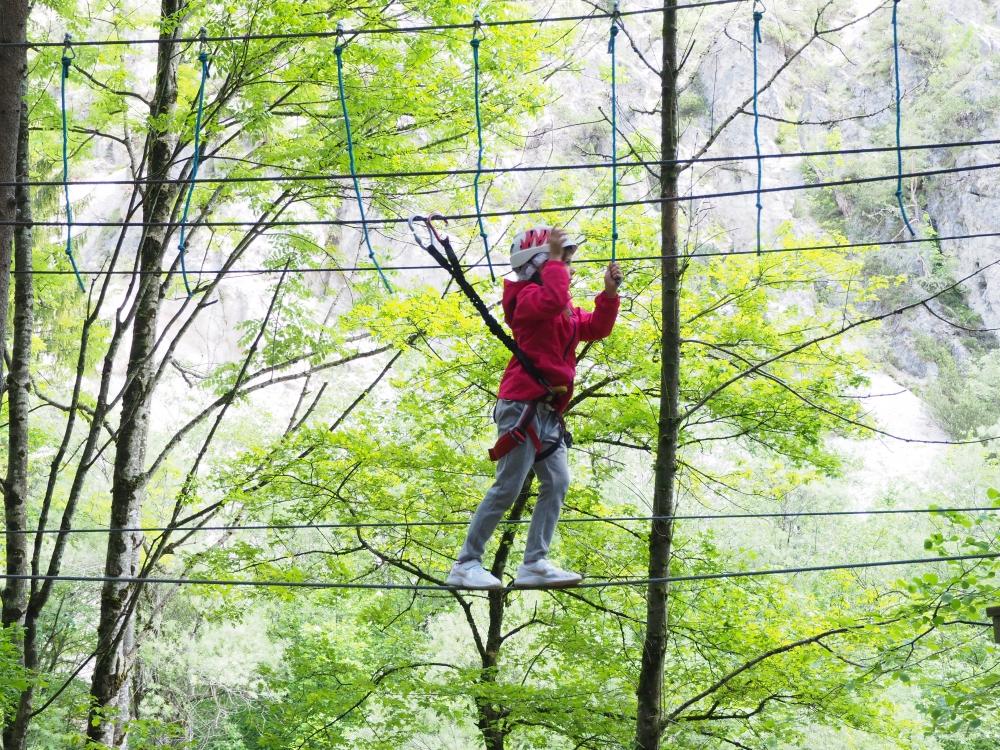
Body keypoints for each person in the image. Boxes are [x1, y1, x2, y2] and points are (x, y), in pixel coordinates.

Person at [446, 226, 623, 589]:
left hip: (546, 412)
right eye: (563, 262)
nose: (570, 269)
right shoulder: (525, 300)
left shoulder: (559, 306)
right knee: (507, 487)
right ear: (539, 264)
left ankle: (534, 563)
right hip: (521, 407)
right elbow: (553, 301)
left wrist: (608, 295)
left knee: (557, 481)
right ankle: (466, 563)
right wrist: (557, 262)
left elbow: (593, 327)